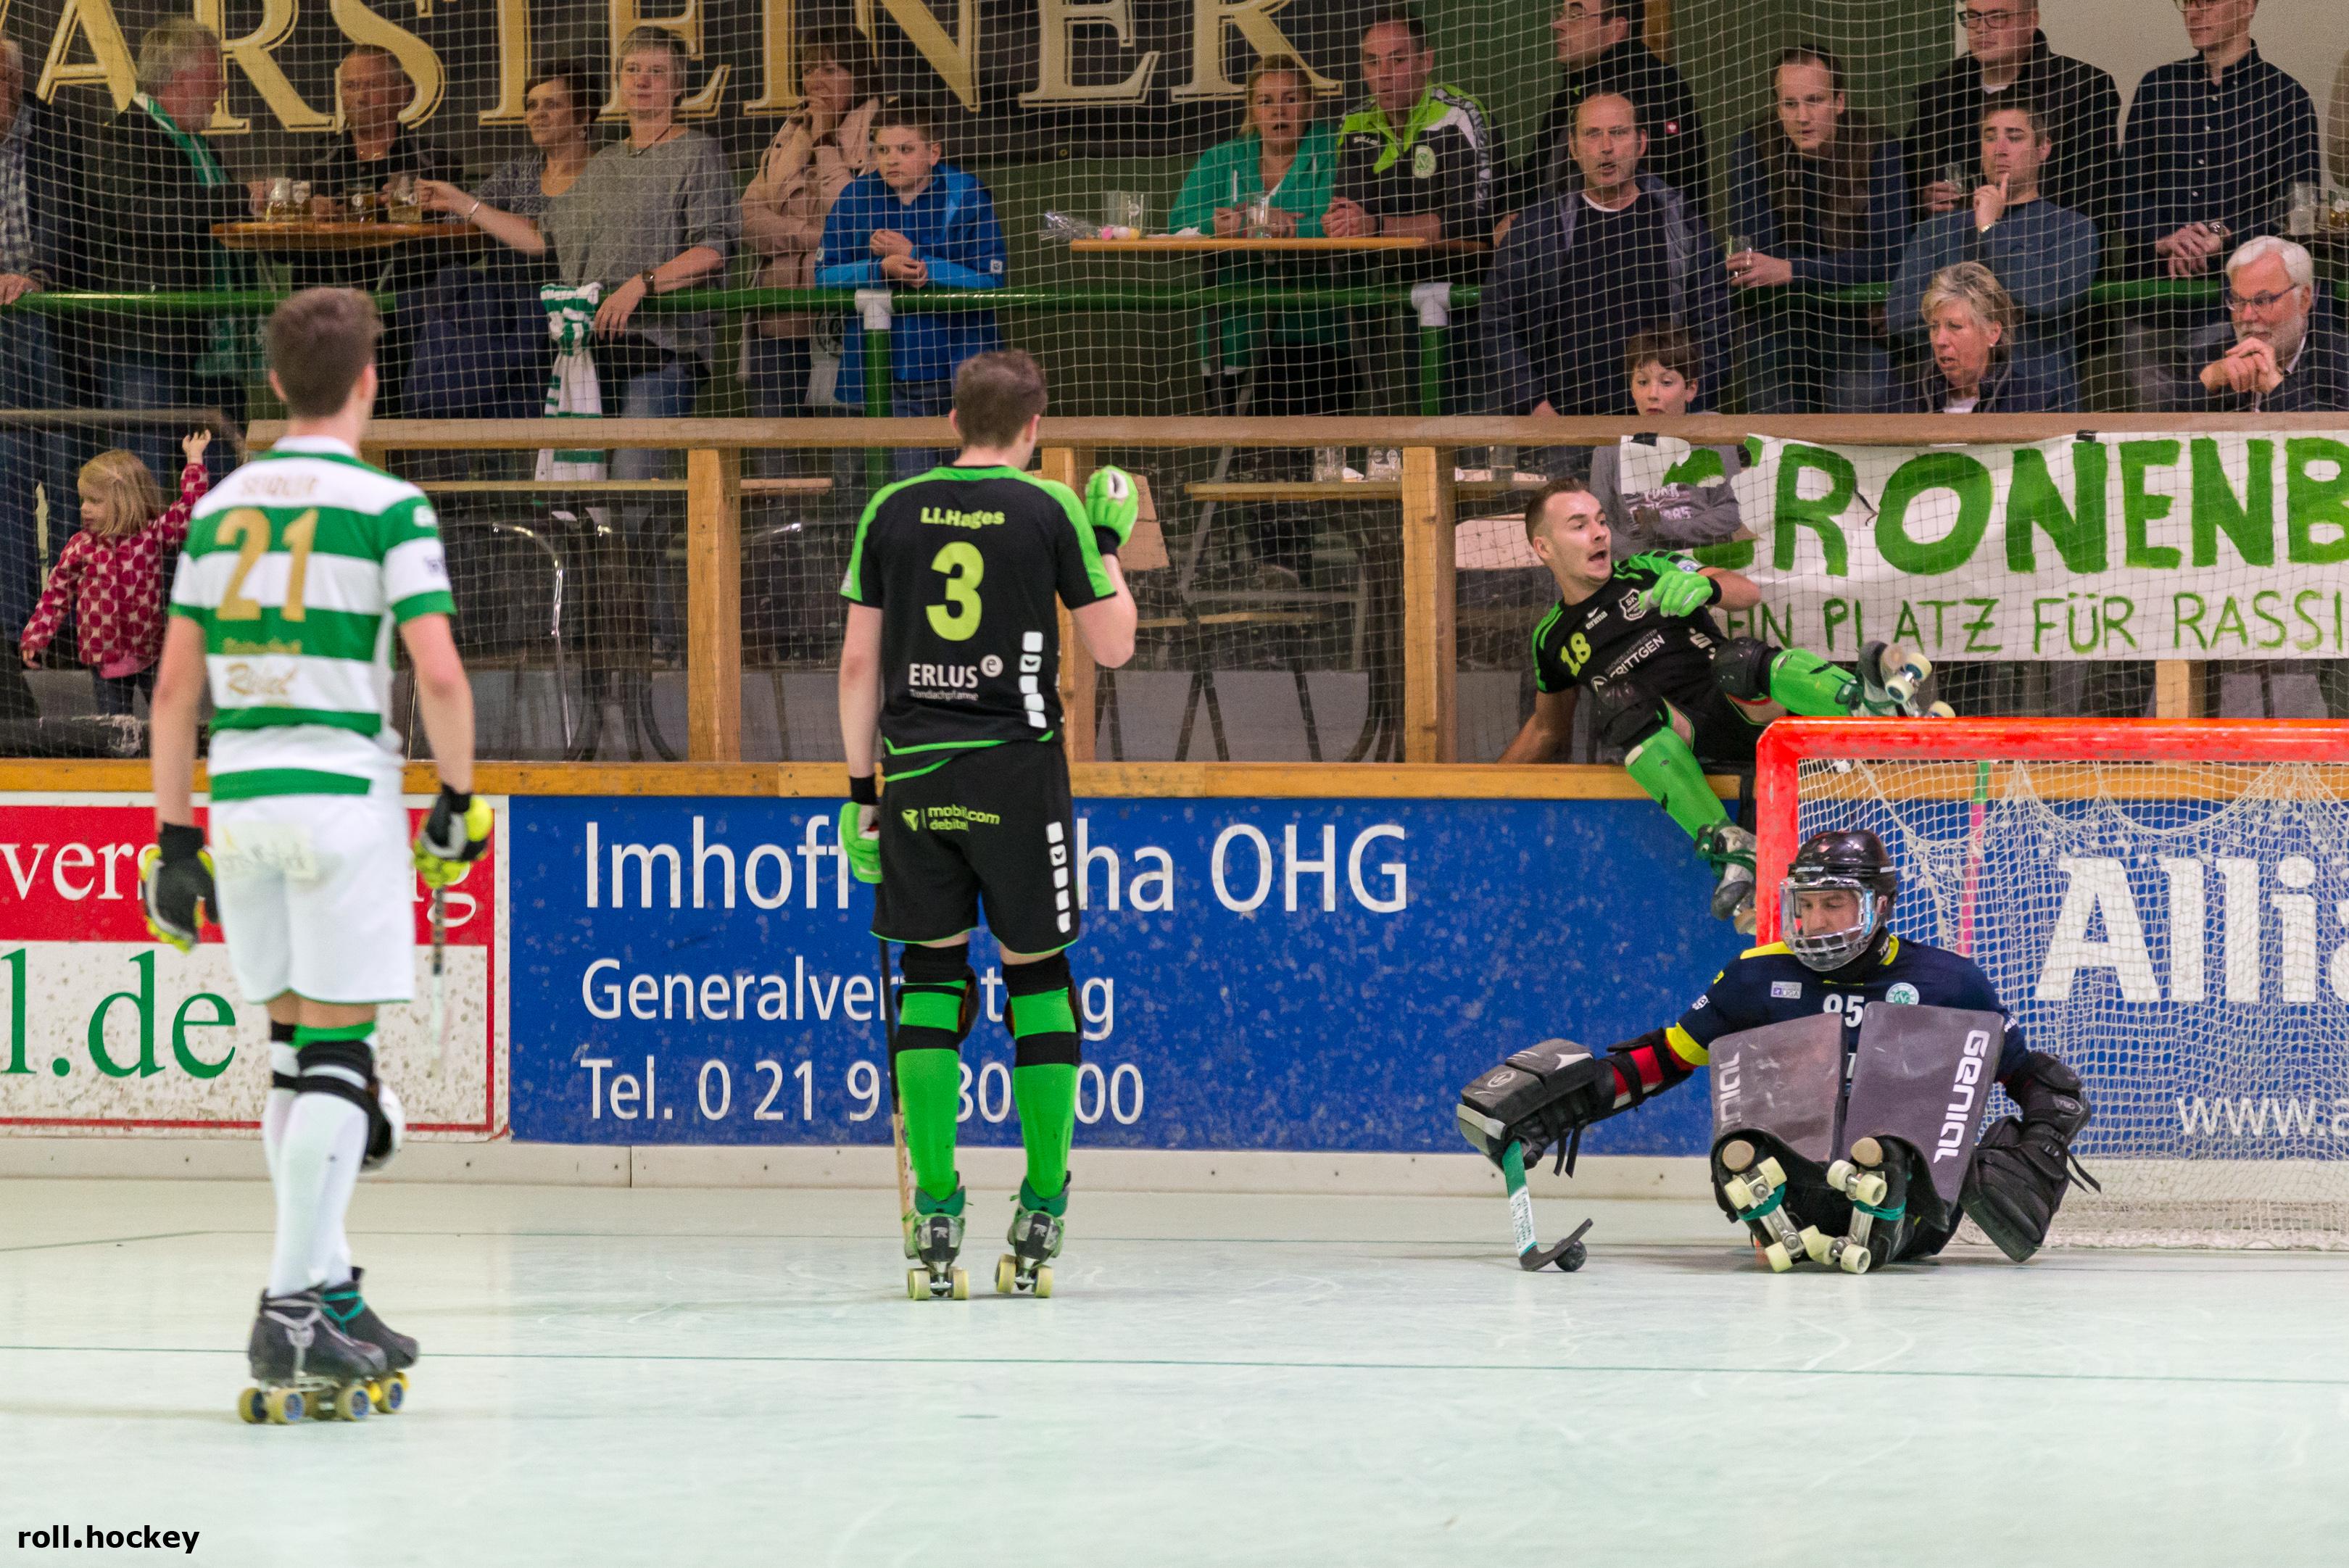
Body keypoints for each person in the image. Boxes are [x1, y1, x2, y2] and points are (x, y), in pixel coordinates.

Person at [141, 288, 493, 1417]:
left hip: (242, 801)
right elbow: (439, 672)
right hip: (340, 795)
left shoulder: (219, 508)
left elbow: (172, 693)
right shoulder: (389, 505)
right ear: (367, 382)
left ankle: (330, 1286)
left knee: (297, 1055)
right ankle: (290, 1305)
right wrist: (456, 799)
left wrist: (174, 839)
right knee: (340, 1053)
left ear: (274, 383)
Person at [833, 349, 1138, 1299]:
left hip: (917, 776)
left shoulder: (891, 509)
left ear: (952, 421)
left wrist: (861, 791)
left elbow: (857, 666)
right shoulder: (1051, 508)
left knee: (930, 979)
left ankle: (933, 1208)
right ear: (1035, 428)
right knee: (1037, 977)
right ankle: (1042, 1205)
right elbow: (1114, 645)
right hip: (1018, 776)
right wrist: (1108, 542)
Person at [1457, 828, 2096, 1270]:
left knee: (1890, 1150)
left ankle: (1880, 1209)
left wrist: (2046, 1135)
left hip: (1915, 1204)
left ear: (1880, 906)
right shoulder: (1756, 976)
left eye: (1835, 904)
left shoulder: (1951, 982)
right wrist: (1572, 1103)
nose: (1816, 922)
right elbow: (1669, 1057)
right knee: (1745, 1147)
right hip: (1798, 1183)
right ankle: (1790, 1220)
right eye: (1807, 905)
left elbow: (2032, 1080)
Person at [1496, 478, 1947, 929]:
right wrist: (1481, 789)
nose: (1599, 533)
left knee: (1739, 659)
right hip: (1686, 741)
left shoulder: (1648, 568)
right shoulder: (1550, 639)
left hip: (1749, 710)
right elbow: (1547, 728)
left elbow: (1744, 592)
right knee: (1618, 701)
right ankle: (1730, 845)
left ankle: (1862, 711)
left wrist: (1705, 586)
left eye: (1600, 521)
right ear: (1544, 547)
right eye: (1579, 526)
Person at [1169, 53, 1343, 576]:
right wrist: (1217, 225)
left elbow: (1343, 223)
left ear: (1310, 105)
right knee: (1247, 454)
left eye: (1290, 99)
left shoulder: (1336, 151)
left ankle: (1289, 564)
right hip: (1232, 334)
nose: (1278, 111)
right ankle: (1274, 566)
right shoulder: (1224, 158)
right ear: (1251, 110)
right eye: (1266, 101)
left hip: (1317, 337)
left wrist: (1295, 228)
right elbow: (1179, 224)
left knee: (1286, 448)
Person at [2120, 0, 2321, 409]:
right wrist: (2166, 237)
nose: (2194, 13)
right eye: (2188, 3)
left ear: (2247, 6)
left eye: (2207, 2)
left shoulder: (2286, 97)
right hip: (2152, 302)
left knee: (2227, 425)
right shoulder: (2158, 87)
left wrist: (2220, 234)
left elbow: (2298, 207)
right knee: (2154, 430)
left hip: (2237, 308)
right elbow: (2122, 191)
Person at [1483, 93, 1729, 419]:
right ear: (1573, 148)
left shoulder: (1682, 225)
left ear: (1641, 143)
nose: (1606, 147)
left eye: (1618, 132)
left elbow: (1714, 329)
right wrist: (1534, 406)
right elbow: (1496, 322)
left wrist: (1685, 406)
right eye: (1592, 134)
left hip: (1661, 425)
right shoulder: (1537, 229)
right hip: (1562, 424)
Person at [91, 21, 260, 483]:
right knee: (140, 483)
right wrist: (241, 197)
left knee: (222, 480)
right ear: (180, 80)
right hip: (147, 343)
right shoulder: (125, 135)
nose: (222, 88)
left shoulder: (198, 146)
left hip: (211, 346)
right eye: (214, 75)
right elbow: (139, 213)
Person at [818, 104, 1006, 471]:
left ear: (933, 152)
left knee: (970, 480)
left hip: (959, 370)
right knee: (898, 482)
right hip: (880, 371)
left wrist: (917, 258)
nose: (891, 160)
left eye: (905, 149)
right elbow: (824, 277)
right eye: (882, 150)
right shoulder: (855, 198)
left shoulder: (967, 195)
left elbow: (990, 282)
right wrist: (878, 268)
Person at [410, 62, 601, 424]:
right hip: (501, 326)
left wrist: (469, 206)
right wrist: (429, 202)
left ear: (584, 116)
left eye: (552, 105)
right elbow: (457, 225)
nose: (538, 115)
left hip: (568, 327)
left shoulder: (604, 171)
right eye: (531, 105)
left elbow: (543, 238)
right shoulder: (519, 171)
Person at [1723, 46, 1908, 412]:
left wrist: (1791, 270)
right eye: (1789, 104)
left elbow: (1889, 259)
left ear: (1839, 102)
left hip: (1857, 326)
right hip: (1775, 325)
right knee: (1774, 441)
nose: (1802, 117)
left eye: (1815, 101)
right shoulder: (1753, 146)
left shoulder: (1878, 147)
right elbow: (1755, 257)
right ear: (1777, 107)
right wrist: (1792, 270)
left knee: (1855, 439)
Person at [1889, 102, 2095, 412]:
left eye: (2014, 137)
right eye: (1990, 137)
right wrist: (1983, 320)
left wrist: (1989, 227)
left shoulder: (2073, 228)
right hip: (1944, 400)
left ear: (2043, 148)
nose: (2000, 149)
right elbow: (1900, 314)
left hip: (2038, 401)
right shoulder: (1938, 229)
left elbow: (2044, 297)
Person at [740, 28, 881, 441]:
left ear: (858, 75)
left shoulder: (881, 127)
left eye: (830, 69)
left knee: (850, 448)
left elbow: (854, 218)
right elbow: (747, 217)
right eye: (808, 69)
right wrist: (812, 237)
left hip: (848, 319)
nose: (816, 80)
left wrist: (824, 141)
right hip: (778, 316)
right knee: (773, 445)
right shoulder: (788, 130)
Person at [0, 37, 94, 639]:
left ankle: (70, 627)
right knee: (6, 475)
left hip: (52, 319)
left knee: (67, 476)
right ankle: (14, 630)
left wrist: (38, 275)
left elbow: (75, 222)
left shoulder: (58, 131)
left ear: (13, 81)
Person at [20, 431, 210, 714]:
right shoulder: (80, 547)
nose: (84, 508)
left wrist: (194, 459)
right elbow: (55, 594)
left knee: (167, 714)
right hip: (103, 658)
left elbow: (192, 508)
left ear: (124, 501)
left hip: (149, 652)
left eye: (94, 501)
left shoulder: (151, 536)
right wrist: (36, 635)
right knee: (115, 726)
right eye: (83, 500)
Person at [1903, 0, 2119, 228]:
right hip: (1956, 240)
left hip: (2045, 241)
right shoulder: (1940, 94)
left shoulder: (2082, 88)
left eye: (1997, 17)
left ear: (2031, 20)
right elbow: (1909, 181)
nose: (1982, 28)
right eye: (1974, 16)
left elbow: (2095, 197)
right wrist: (1923, 199)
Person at [1500, 0, 1707, 222]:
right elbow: (1536, 175)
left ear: (1616, 29)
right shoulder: (1574, 91)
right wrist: (1516, 219)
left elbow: (1665, 193)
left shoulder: (1657, 89)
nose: (1558, 24)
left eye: (1576, 15)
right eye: (1561, 14)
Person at [1326, 9, 1494, 244]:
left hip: (1455, 265)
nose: (1384, 74)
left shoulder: (1460, 116)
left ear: (1426, 61)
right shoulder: (1355, 124)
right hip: (1376, 265)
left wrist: (1378, 226)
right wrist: (1346, 223)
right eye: (1373, 62)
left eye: (1397, 60)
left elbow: (1470, 221)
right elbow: (1352, 214)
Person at [1586, 328, 1748, 556]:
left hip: (1706, 563)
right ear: (1632, 388)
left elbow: (1731, 512)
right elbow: (1603, 525)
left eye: (1666, 382)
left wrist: (1663, 527)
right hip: (1639, 567)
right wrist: (1650, 561)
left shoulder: (1712, 431)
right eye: (1642, 382)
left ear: (1691, 389)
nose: (1652, 394)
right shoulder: (1609, 446)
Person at [2182, 236, 2346, 413]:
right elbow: (2172, 426)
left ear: (2304, 300)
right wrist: (2207, 383)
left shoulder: (2341, 360)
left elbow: (2338, 430)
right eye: (2238, 301)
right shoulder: (2214, 356)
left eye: (2262, 301)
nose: (2246, 316)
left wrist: (2276, 388)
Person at [1889, 260, 2069, 412]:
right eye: (1934, 327)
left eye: (1955, 326)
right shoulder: (1905, 402)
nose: (1939, 340)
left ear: (1993, 333)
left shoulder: (2039, 403)